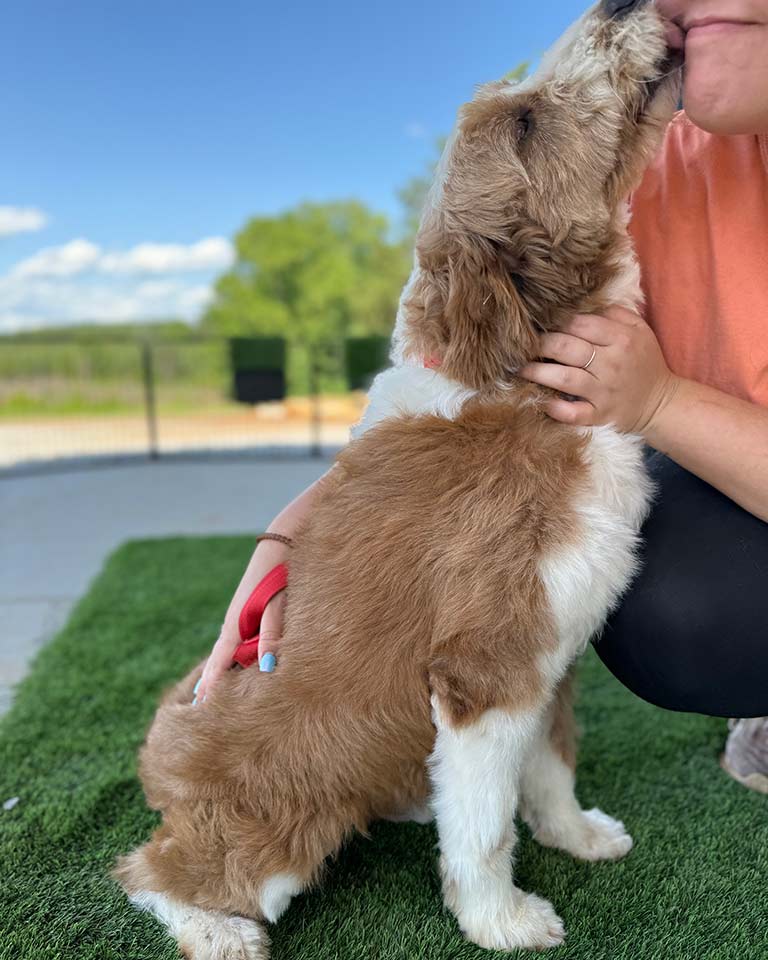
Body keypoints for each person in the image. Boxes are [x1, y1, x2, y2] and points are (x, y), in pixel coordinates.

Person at [194, 0, 768, 792]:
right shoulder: (646, 154)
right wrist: (298, 531)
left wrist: (662, 401)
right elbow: (468, 366)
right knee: (675, 610)